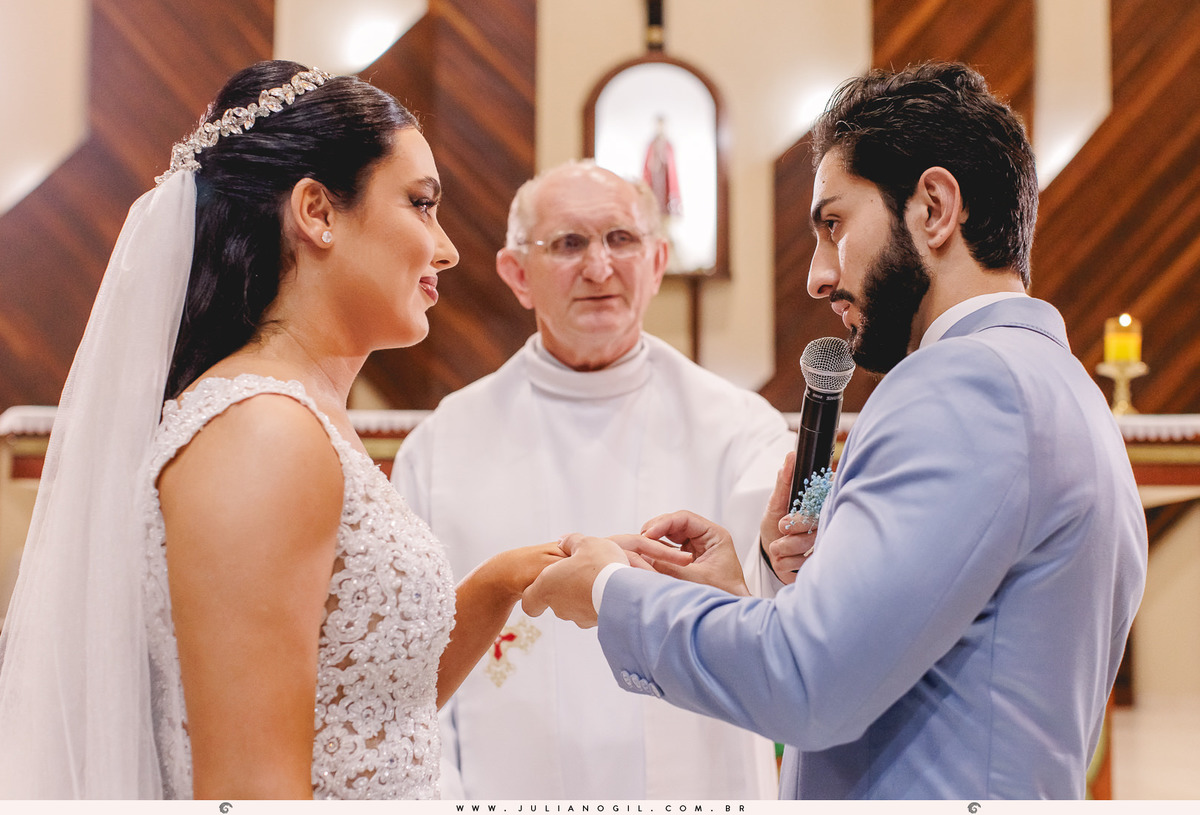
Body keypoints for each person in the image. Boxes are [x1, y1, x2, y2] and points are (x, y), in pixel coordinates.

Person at [523, 62, 1148, 799]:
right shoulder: (1061, 385)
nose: (818, 276)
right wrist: (749, 600)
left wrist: (611, 590)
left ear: (935, 209)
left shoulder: (962, 387)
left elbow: (806, 684)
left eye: (834, 224)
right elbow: (937, 669)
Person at [0, 60, 562, 800]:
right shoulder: (261, 433)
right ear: (318, 212)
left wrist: (508, 577)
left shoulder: (301, 411)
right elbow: (250, 785)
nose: (446, 248)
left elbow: (360, 718)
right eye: (421, 204)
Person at [391, 160, 792, 799]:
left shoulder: (740, 430)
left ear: (657, 263)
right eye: (569, 243)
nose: (599, 268)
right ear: (517, 274)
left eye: (621, 239)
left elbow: (780, 611)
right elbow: (411, 659)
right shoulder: (440, 448)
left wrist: (789, 552)